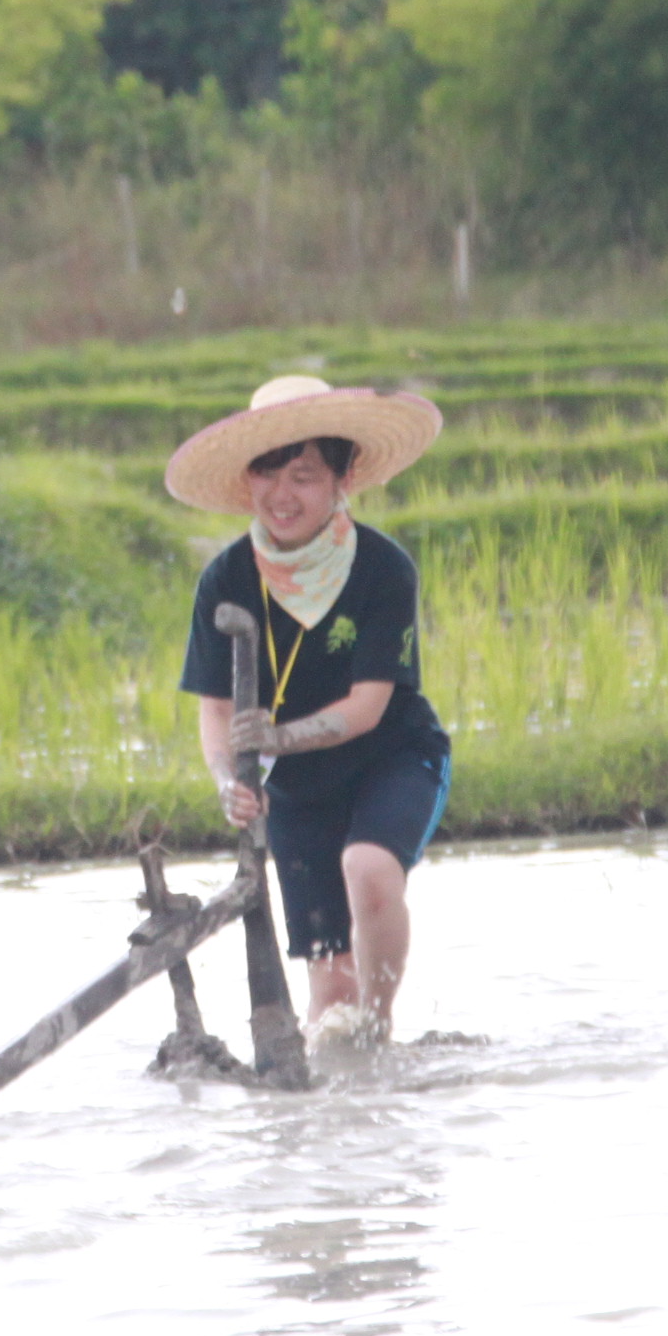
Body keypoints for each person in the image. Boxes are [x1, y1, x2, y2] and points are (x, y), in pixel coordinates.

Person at [168, 375, 452, 1046]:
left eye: (303, 476)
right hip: (297, 789)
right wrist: (229, 781)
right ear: (247, 480)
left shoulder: (383, 568)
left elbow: (368, 707)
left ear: (342, 479)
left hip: (392, 757)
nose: (282, 495)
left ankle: (379, 1030)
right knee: (327, 990)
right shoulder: (226, 579)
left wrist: (277, 737)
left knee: (369, 869)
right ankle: (345, 1080)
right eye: (267, 475)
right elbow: (216, 711)